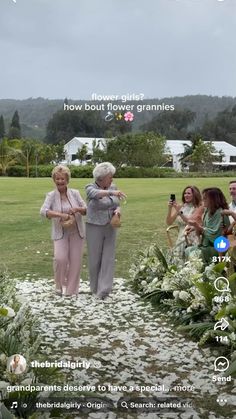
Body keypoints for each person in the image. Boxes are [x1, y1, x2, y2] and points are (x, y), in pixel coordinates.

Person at [40, 165, 86, 297]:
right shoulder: (51, 195)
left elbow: (86, 209)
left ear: (67, 180)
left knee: (75, 262)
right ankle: (59, 286)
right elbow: (44, 211)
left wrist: (77, 209)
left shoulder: (75, 193)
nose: (60, 181)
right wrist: (61, 215)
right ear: (54, 179)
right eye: (57, 179)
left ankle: (71, 291)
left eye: (63, 179)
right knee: (60, 259)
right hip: (60, 233)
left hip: (77, 232)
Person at [85, 162, 126, 299]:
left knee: (108, 257)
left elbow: (116, 204)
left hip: (110, 226)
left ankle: (104, 290)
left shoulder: (113, 186)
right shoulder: (90, 187)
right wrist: (111, 192)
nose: (112, 180)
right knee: (95, 258)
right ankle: (95, 288)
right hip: (94, 226)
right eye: (110, 177)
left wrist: (118, 211)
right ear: (101, 178)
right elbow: (94, 195)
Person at [187, 187, 230, 263]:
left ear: (213, 200)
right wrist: (196, 228)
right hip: (206, 245)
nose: (203, 200)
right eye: (203, 198)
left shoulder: (221, 214)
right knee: (188, 250)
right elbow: (206, 227)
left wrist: (197, 226)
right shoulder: (207, 211)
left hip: (218, 248)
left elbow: (216, 235)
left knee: (194, 253)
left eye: (205, 198)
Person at [166, 186, 203, 260]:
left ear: (195, 195)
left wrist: (179, 213)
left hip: (193, 235)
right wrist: (170, 208)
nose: (186, 195)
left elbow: (191, 222)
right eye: (185, 193)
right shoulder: (180, 206)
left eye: (189, 193)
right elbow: (169, 222)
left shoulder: (198, 207)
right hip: (181, 235)